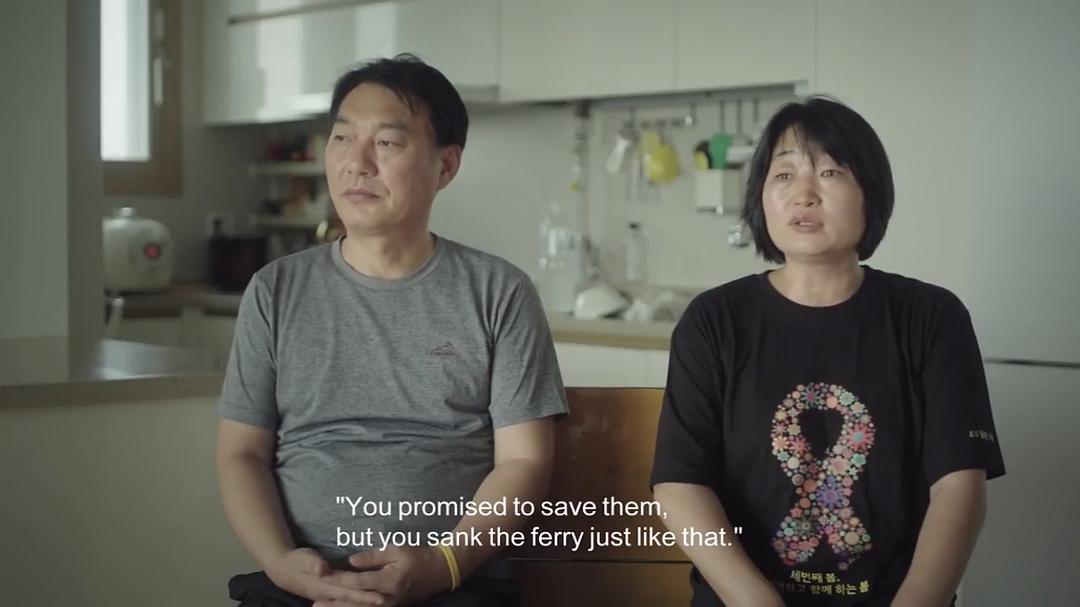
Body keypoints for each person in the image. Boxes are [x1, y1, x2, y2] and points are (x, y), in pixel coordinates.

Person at [216, 54, 567, 607]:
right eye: (341, 138)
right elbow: (241, 454)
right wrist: (281, 564)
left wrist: (442, 566)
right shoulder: (274, 290)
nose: (356, 164)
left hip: (452, 581)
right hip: (301, 579)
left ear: (445, 166)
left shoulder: (500, 292)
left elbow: (525, 462)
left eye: (386, 142)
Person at [651, 96, 1005, 607]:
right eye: (783, 174)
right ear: (760, 197)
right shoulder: (712, 321)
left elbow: (959, 486)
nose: (804, 194)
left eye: (830, 172)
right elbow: (680, 486)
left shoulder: (933, 318)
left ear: (871, 194)